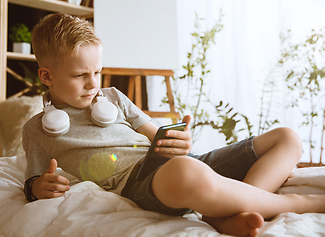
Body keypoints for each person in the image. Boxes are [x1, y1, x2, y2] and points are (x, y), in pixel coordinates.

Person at [23, 12, 325, 237]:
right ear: (47, 76)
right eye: (79, 76)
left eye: (97, 72)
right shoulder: (38, 130)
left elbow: (158, 137)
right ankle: (302, 203)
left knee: (287, 138)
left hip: (180, 165)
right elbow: (32, 181)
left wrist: (181, 142)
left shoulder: (112, 98)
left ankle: (231, 211)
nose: (93, 84)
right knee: (187, 171)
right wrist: (38, 186)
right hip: (139, 184)